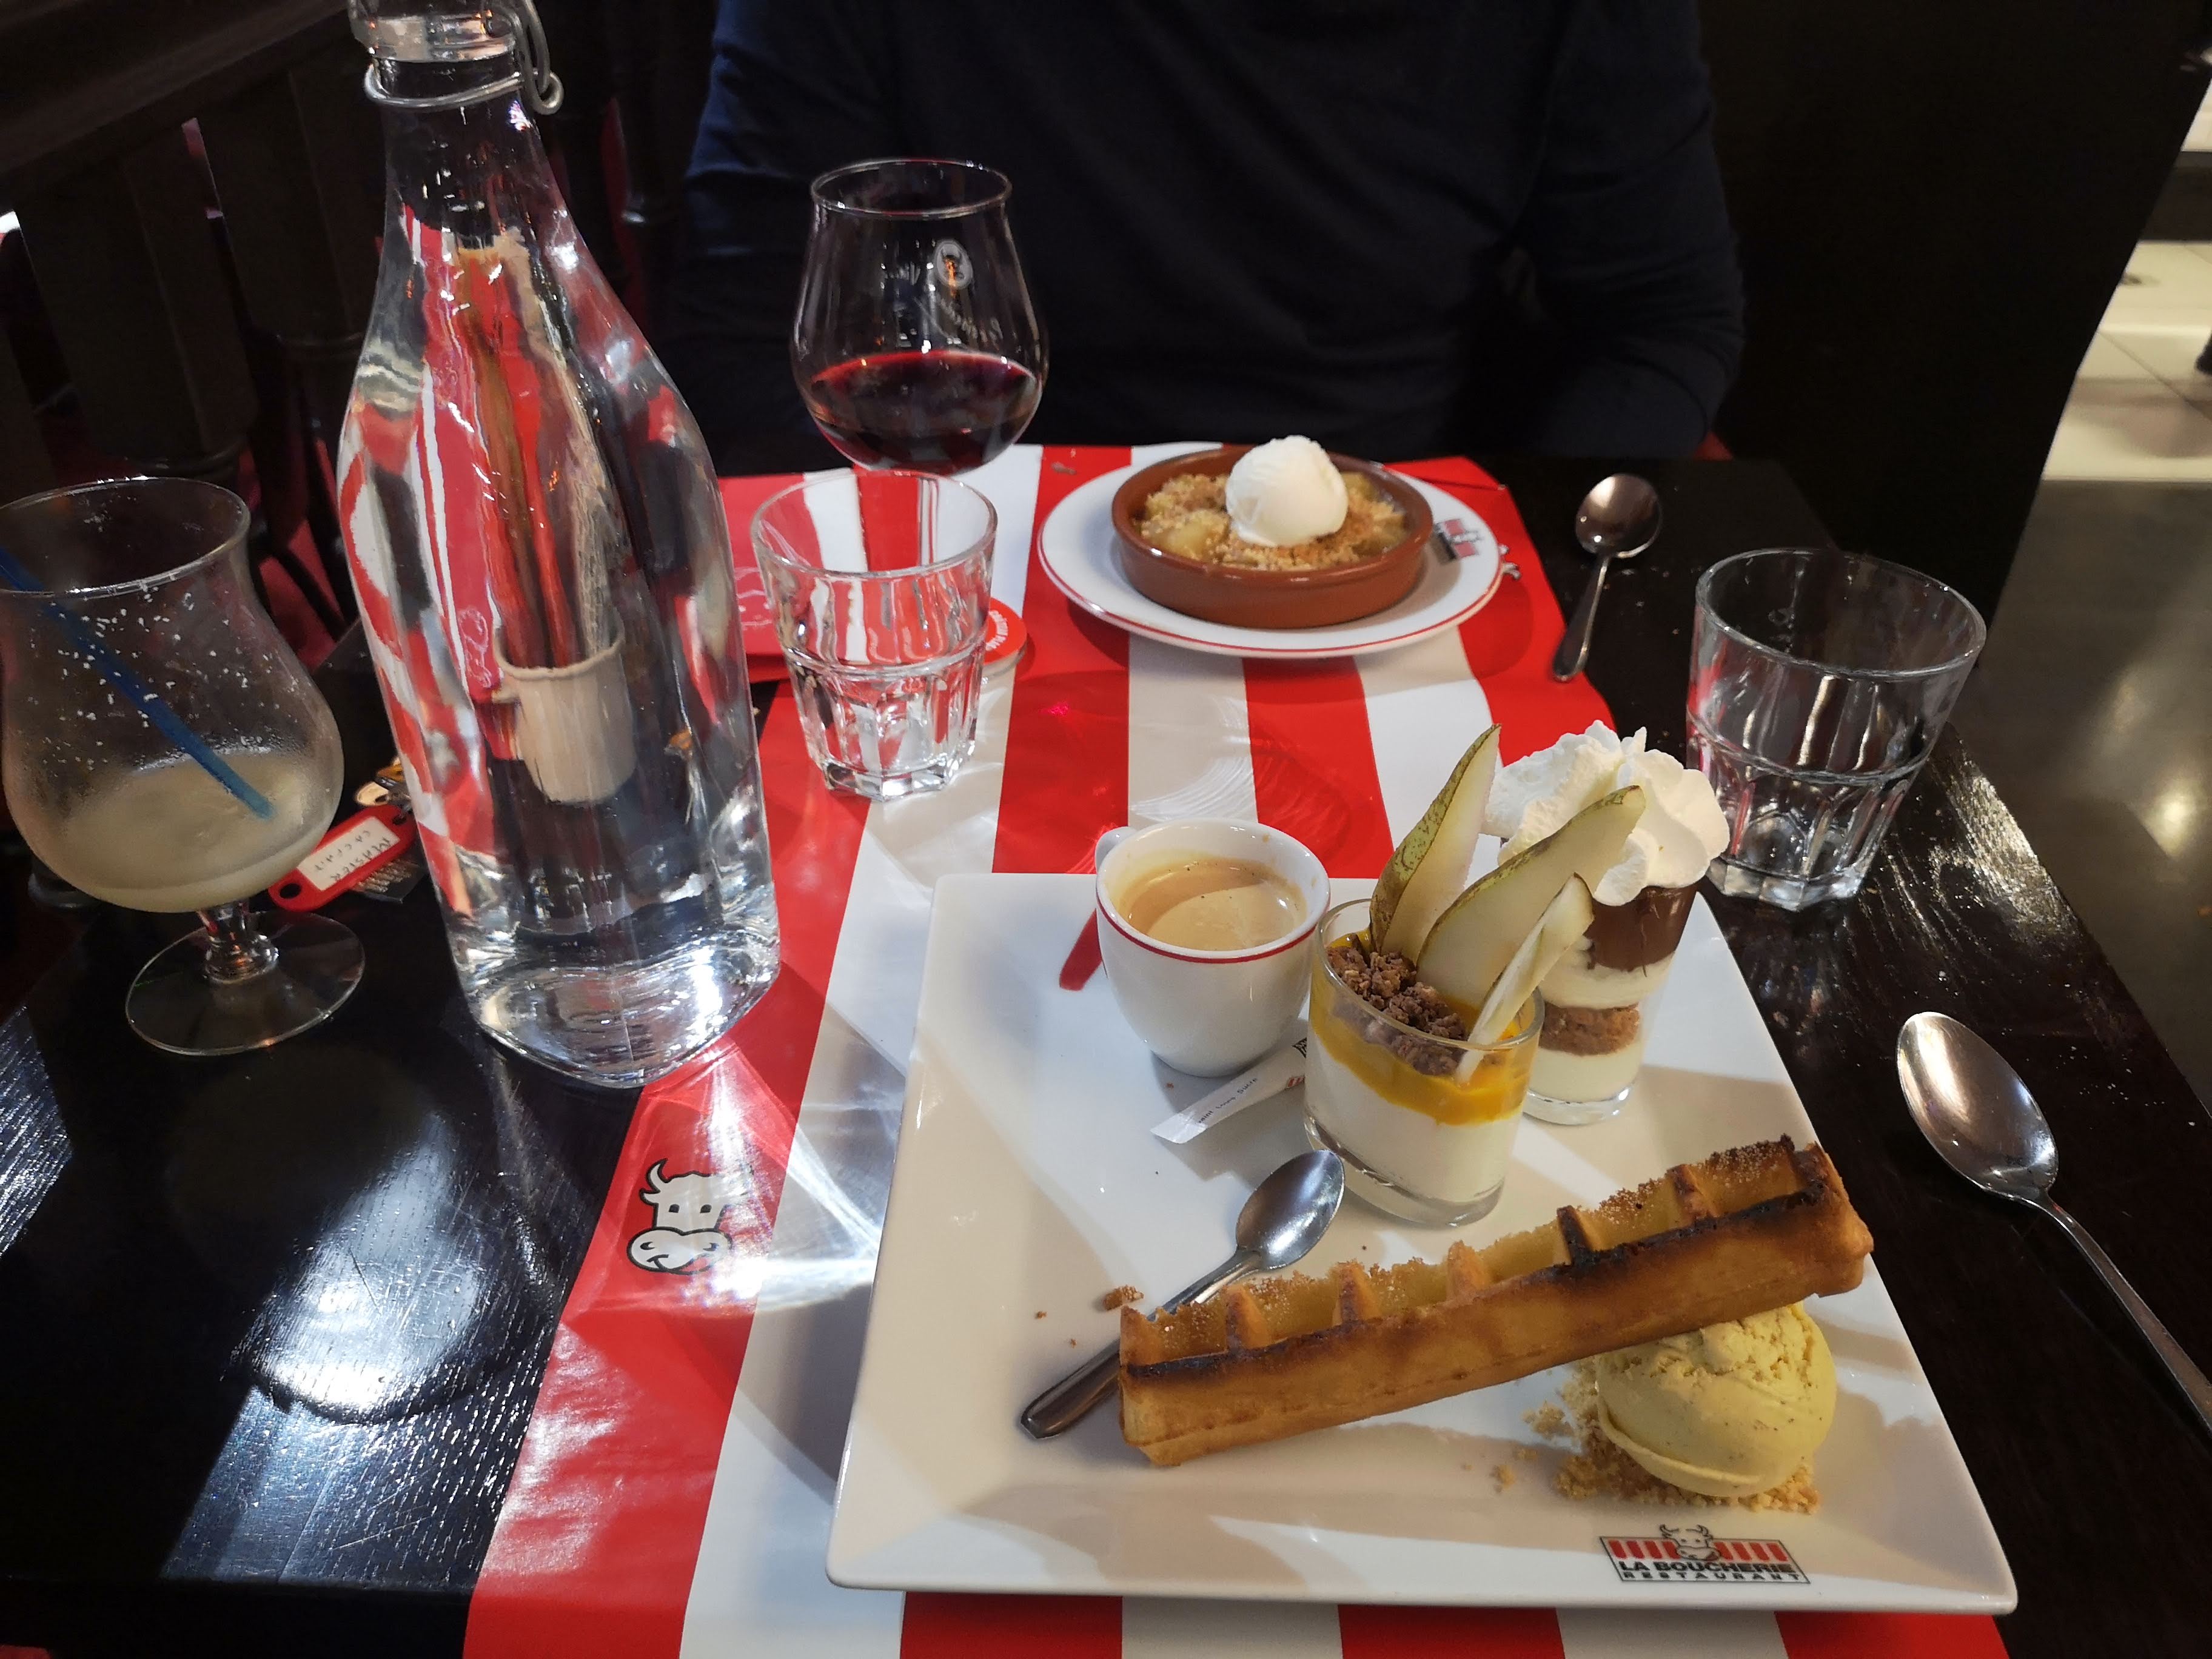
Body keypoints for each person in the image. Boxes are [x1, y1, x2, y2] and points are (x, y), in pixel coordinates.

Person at [663, 1, 1743, 475]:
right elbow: (746, 335)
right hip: (986, 539)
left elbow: (1660, 321)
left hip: (1399, 546)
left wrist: (1502, 540)